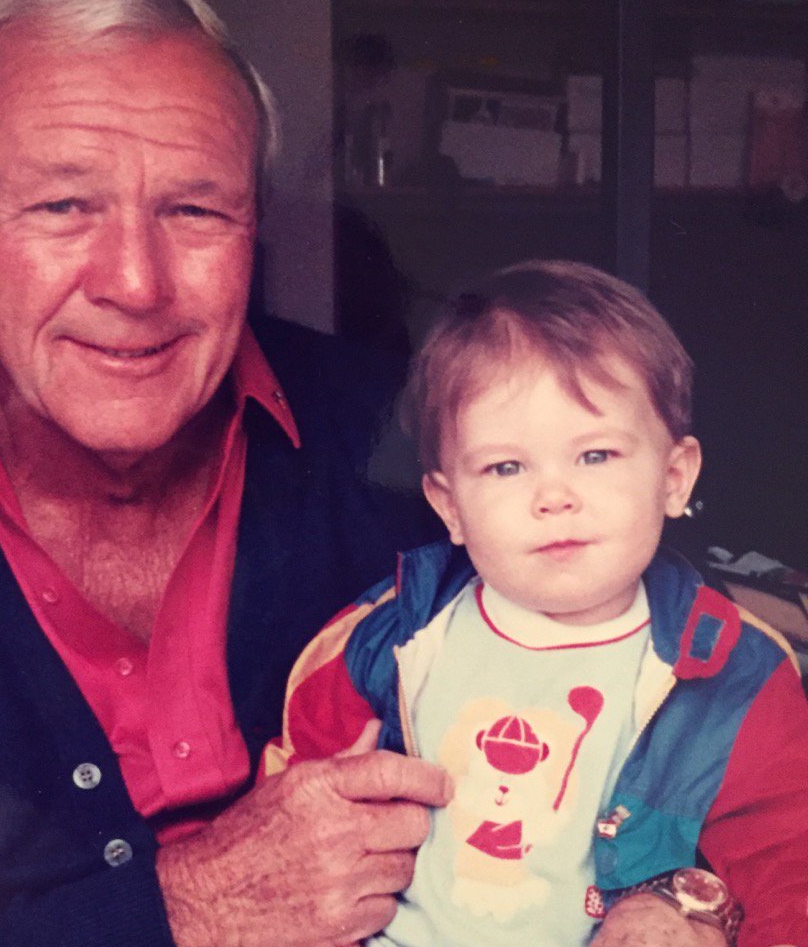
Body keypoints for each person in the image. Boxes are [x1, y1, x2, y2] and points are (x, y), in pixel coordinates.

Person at [0, 0, 455, 947]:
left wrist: (674, 891)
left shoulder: (417, 439)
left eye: (194, 210)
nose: (136, 283)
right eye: (62, 207)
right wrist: (184, 912)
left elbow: (685, 678)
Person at [264, 260, 808, 947]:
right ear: (449, 505)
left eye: (597, 456)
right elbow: (291, 817)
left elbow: (787, 867)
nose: (554, 497)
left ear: (673, 478)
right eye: (506, 467)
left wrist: (696, 915)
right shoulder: (387, 641)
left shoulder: (737, 674)